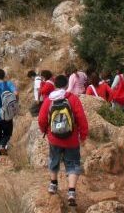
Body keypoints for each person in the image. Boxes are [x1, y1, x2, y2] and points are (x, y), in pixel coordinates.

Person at [37, 74, 89, 207]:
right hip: (71, 139)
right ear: (67, 85)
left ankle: (53, 185)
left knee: (54, 160)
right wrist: (83, 136)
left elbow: (42, 119)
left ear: (55, 85)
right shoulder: (73, 98)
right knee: (73, 164)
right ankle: (71, 192)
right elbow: (81, 119)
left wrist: (44, 131)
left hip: (54, 138)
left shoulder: (49, 100)